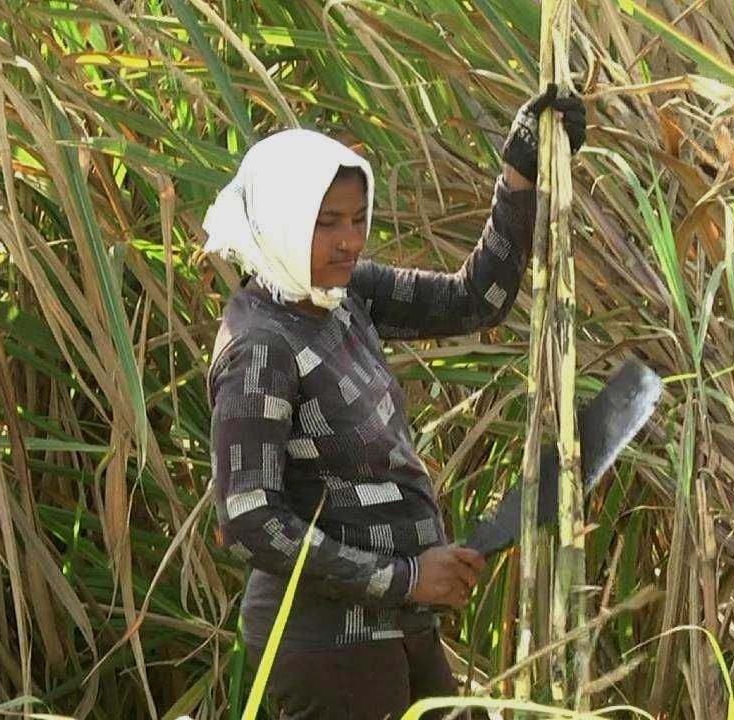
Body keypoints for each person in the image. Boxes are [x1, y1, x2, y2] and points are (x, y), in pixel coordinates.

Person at [203, 85, 586, 720]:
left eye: (357, 219)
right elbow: (248, 521)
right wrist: (405, 578)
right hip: (329, 654)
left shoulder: (342, 296)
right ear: (280, 220)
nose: (350, 241)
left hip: (398, 632)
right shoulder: (260, 347)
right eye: (327, 223)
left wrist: (521, 175)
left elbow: (475, 300)